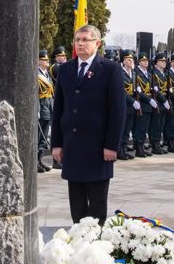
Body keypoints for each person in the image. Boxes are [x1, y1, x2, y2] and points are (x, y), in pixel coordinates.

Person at [50, 25, 126, 223]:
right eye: (77, 40)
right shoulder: (65, 70)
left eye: (85, 40)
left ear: (97, 43)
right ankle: (78, 242)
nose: (80, 44)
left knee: (97, 203)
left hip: (98, 147)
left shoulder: (110, 69)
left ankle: (94, 247)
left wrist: (111, 145)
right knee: (76, 203)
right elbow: (58, 108)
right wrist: (56, 143)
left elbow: (117, 111)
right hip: (72, 145)